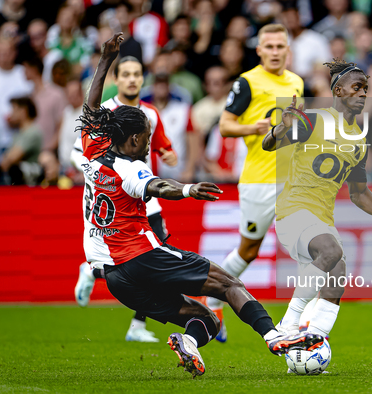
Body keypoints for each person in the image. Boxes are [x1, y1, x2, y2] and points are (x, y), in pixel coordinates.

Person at [75, 33, 323, 377]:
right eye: (146, 137)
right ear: (133, 139)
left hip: (114, 277)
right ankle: (274, 335)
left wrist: (105, 61)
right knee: (229, 285)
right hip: (141, 256)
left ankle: (188, 343)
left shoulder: (93, 150)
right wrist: (188, 189)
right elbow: (156, 185)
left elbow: (90, 111)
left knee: (203, 317)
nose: (150, 143)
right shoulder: (131, 168)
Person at [261, 60, 372, 371]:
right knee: (332, 251)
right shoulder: (312, 121)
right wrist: (282, 126)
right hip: (293, 211)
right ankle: (287, 326)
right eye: (356, 88)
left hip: (321, 220)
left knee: (336, 278)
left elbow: (359, 193)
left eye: (366, 89)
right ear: (338, 91)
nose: (363, 94)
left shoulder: (360, 140)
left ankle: (307, 350)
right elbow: (270, 145)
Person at [207, 24, 305, 342]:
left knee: (311, 249)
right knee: (248, 251)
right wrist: (254, 127)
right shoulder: (248, 82)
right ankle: (212, 297)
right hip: (258, 182)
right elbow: (224, 126)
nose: (275, 52)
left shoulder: (297, 83)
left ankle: (301, 325)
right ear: (259, 50)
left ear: (287, 50)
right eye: (270, 47)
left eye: (280, 46)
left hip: (291, 181)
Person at [73, 55, 178, 343]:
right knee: (132, 264)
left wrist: (168, 154)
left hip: (147, 196)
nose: (132, 79)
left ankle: (137, 325)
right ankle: (93, 271)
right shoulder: (104, 112)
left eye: (137, 74)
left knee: (154, 262)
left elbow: (159, 147)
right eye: (126, 74)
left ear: (143, 78)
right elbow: (78, 151)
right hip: (115, 198)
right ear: (116, 79)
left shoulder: (151, 114)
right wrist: (97, 174)